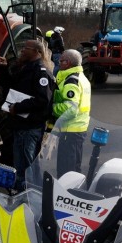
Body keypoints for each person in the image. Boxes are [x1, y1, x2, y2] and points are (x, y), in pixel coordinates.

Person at [0, 39, 54, 190]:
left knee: (29, 165)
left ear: (36, 52)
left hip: (31, 127)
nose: (22, 50)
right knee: (19, 165)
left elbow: (43, 100)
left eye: (26, 48)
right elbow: (10, 88)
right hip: (19, 125)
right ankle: (21, 193)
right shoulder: (24, 69)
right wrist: (3, 69)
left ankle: (33, 194)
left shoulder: (41, 72)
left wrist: (18, 107)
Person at [49, 48, 91, 176]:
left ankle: (66, 194)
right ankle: (72, 192)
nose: (59, 63)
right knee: (73, 168)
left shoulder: (71, 81)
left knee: (66, 171)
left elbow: (71, 109)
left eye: (61, 61)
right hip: (77, 129)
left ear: (67, 63)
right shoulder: (81, 78)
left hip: (70, 131)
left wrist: (50, 108)